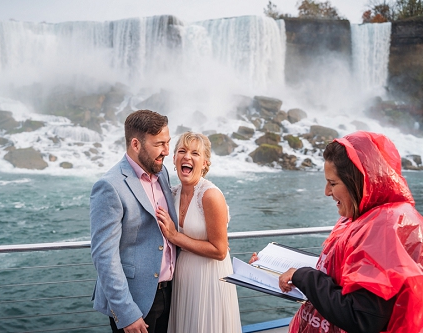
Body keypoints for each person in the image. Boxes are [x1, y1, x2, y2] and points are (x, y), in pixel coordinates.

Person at [251, 131, 423, 333]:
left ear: (359, 181)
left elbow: (362, 317)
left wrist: (304, 276)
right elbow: (343, 273)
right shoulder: (363, 217)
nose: (326, 191)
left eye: (333, 183)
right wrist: (275, 270)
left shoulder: (385, 227)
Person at [90, 110, 178, 333]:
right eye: (159, 144)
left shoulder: (163, 172)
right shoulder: (109, 186)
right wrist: (126, 313)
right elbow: (104, 256)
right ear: (136, 144)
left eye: (168, 143)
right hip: (135, 303)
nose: (167, 151)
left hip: (171, 295)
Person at [156, 131, 242, 333]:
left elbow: (220, 251)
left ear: (204, 163)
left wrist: (175, 236)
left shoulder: (210, 195)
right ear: (175, 158)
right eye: (182, 151)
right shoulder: (171, 193)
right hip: (182, 279)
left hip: (210, 279)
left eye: (195, 153)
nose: (187, 157)